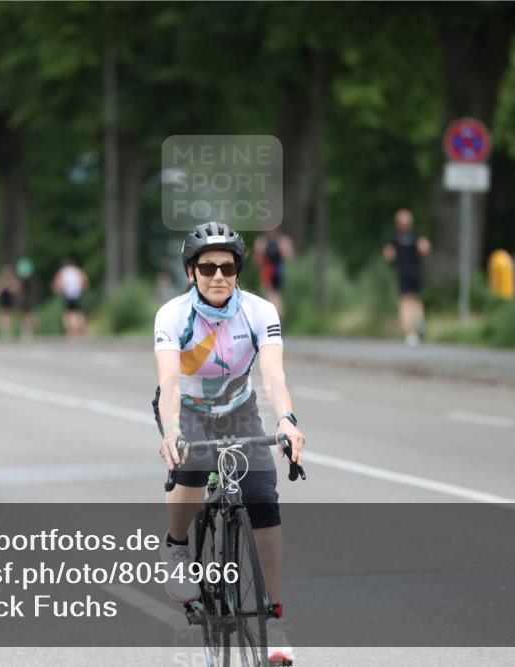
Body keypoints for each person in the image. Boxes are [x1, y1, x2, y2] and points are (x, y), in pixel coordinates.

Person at [153, 221, 306, 665]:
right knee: (193, 469)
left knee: (262, 501)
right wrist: (172, 432)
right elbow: (168, 380)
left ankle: (274, 618)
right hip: (186, 411)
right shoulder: (173, 315)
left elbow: (274, 374)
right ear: (191, 272)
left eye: (228, 267)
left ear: (239, 270)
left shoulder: (259, 311)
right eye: (207, 267)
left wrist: (287, 421)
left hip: (239, 409)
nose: (218, 275)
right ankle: (178, 545)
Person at [383, 208, 431, 346]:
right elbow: (388, 254)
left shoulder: (415, 236)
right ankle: (412, 331)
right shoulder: (396, 238)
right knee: (407, 301)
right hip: (404, 272)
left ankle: (416, 326)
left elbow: (426, 248)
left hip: (414, 272)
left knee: (413, 300)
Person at [253, 227, 295, 316]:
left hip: (275, 271)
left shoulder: (281, 241)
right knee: (273, 296)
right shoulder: (263, 241)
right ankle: (275, 317)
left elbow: (289, 256)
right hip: (269, 271)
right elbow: (258, 259)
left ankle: (274, 317)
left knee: (273, 296)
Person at [52, 258, 89, 339]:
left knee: (68, 314)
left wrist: (57, 289)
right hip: (77, 294)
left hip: (68, 294)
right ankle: (81, 330)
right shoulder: (77, 270)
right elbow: (85, 280)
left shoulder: (63, 271)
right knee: (78, 312)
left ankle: (71, 331)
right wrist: (83, 288)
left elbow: (58, 282)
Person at [0, 263, 22, 339]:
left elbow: (17, 290)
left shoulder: (12, 280)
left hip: (10, 300)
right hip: (2, 300)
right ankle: (3, 332)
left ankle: (9, 332)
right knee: (2, 316)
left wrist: (9, 287)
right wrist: (1, 288)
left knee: (10, 316)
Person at [16, 257, 38, 339]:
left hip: (25, 299)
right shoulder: (32, 279)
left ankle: (27, 331)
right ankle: (30, 331)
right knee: (30, 315)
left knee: (26, 316)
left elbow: (18, 289)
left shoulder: (23, 280)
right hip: (30, 299)